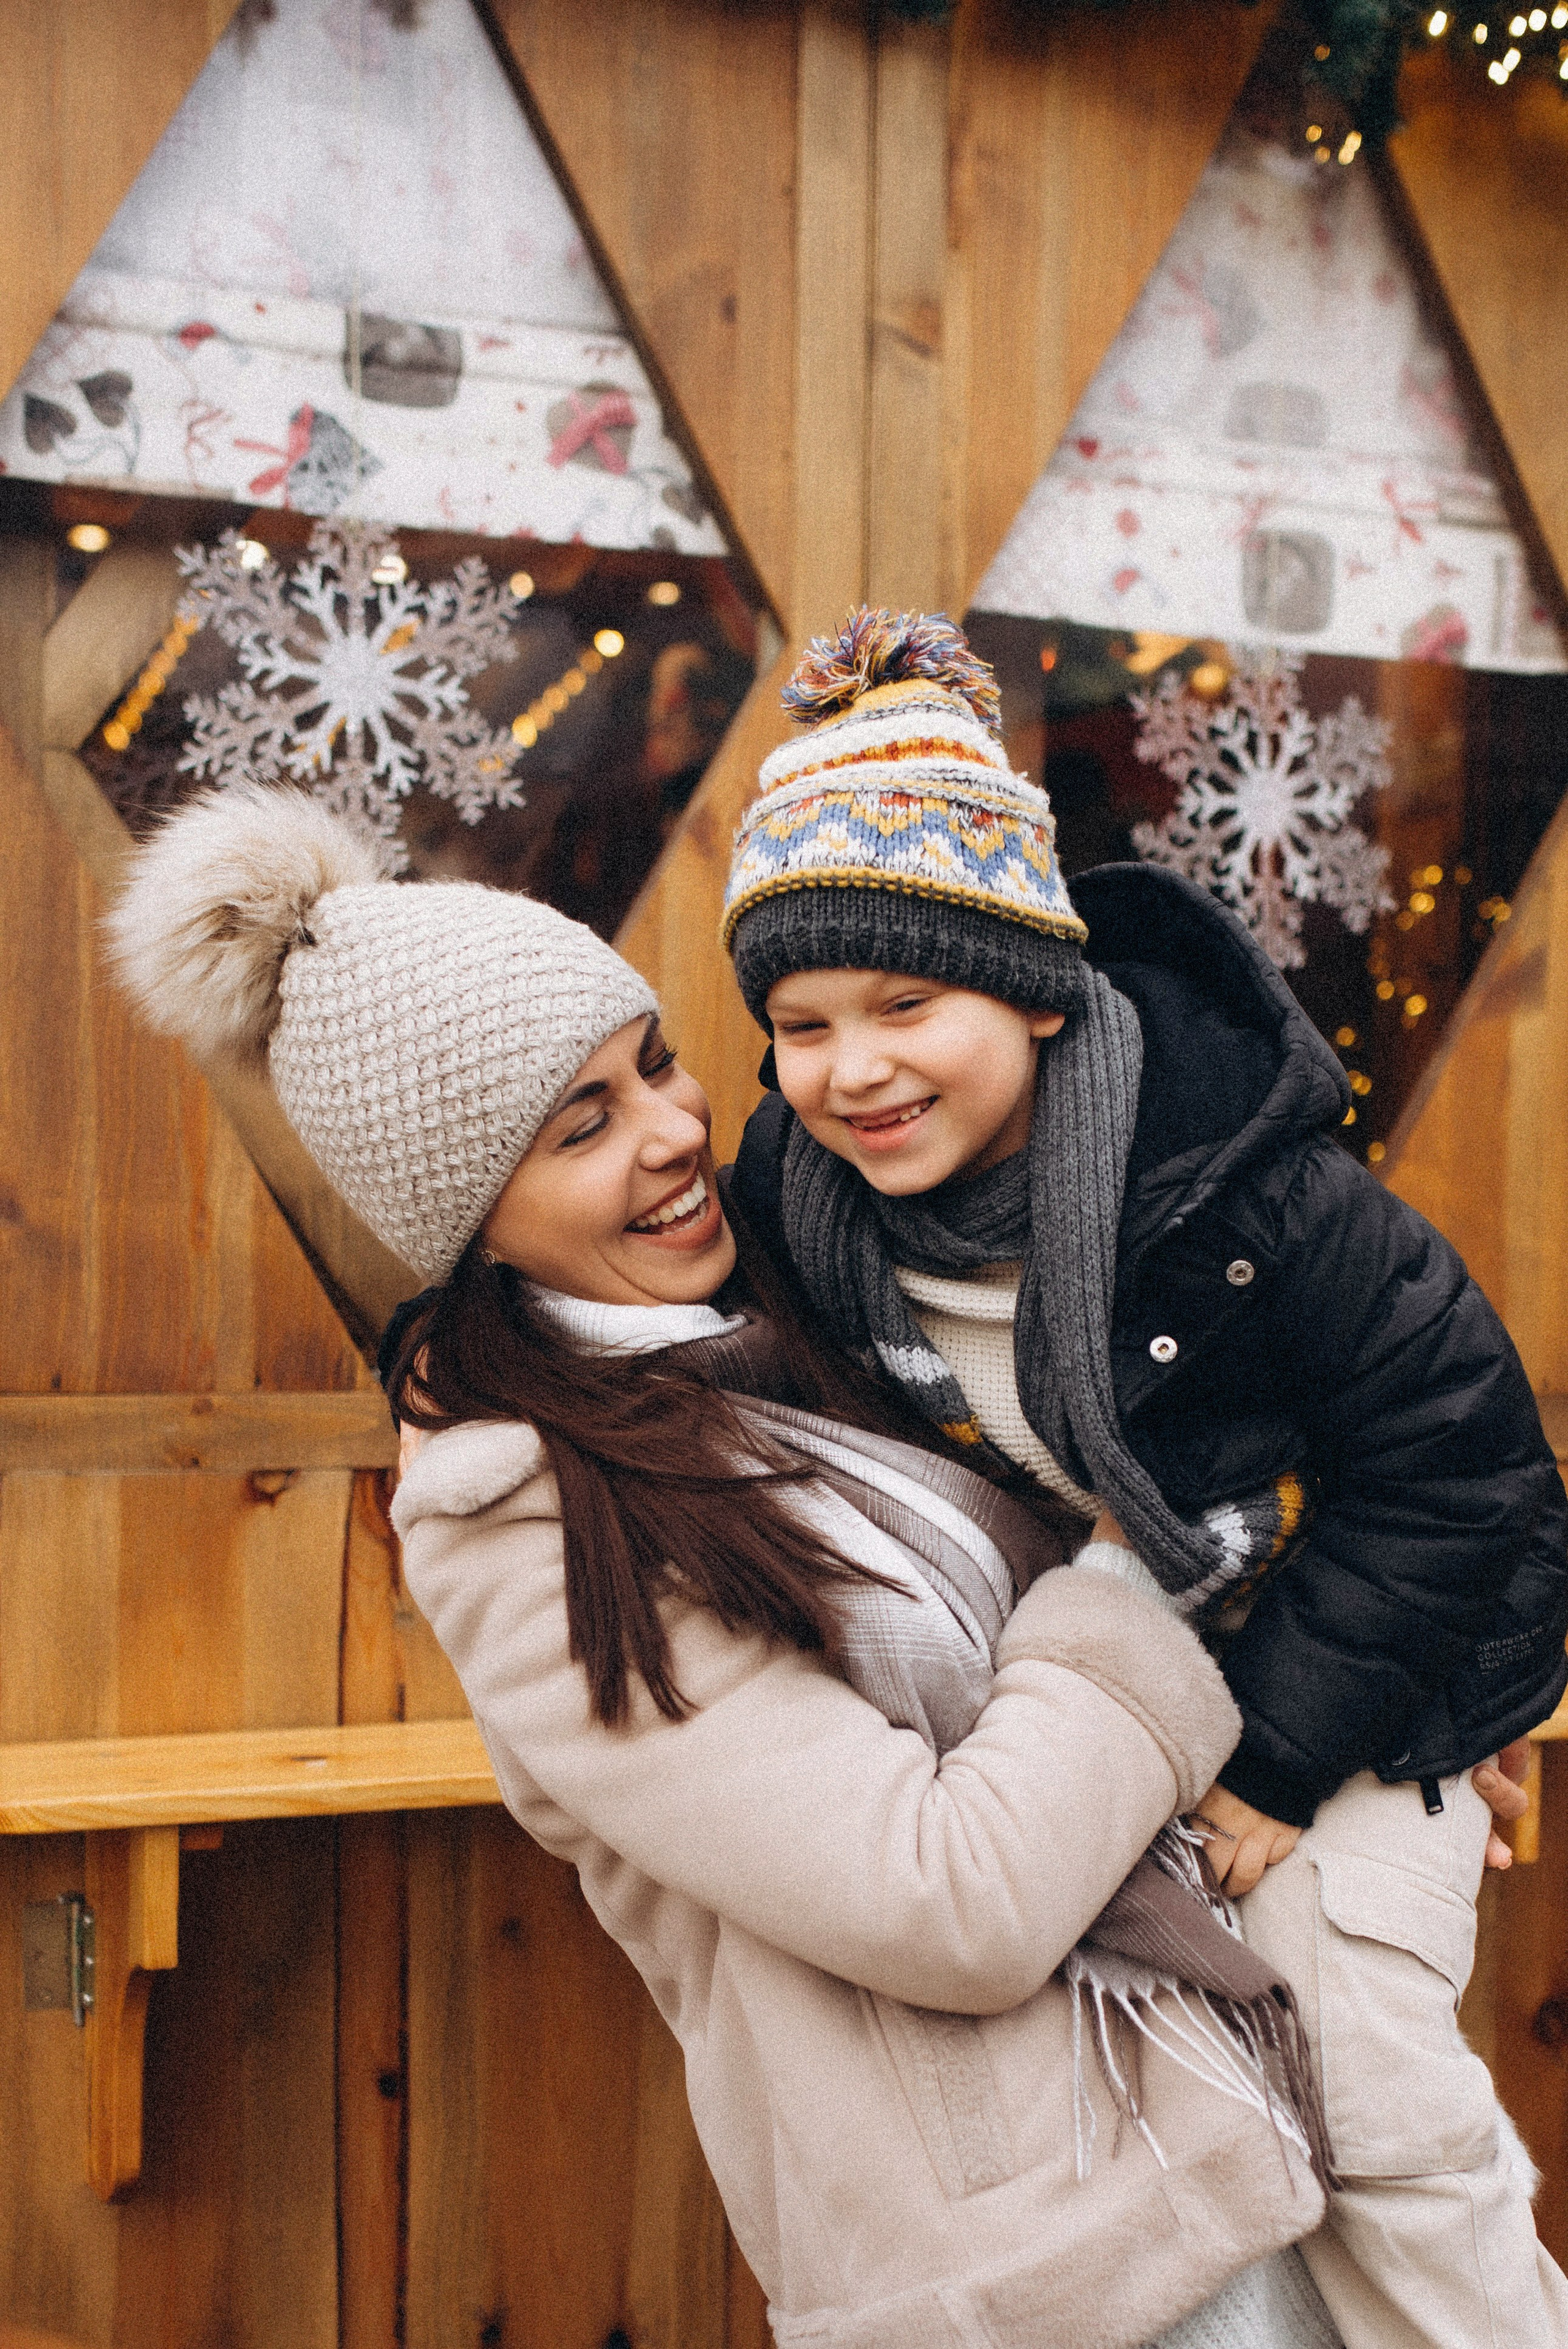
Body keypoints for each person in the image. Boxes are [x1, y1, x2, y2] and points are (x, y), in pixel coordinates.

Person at [109, 779, 1351, 2349]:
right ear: (468, 1217)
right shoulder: (523, 1515)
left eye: (653, 1066)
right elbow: (945, 1901)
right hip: (1036, 2274)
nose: (676, 1128)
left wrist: (1366, 1695)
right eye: (584, 1126)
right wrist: (1125, 1572)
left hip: (1200, 2135)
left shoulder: (795, 1324)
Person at [719, 608, 1568, 2349]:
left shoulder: (1242, 1177)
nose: (854, 1068)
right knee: (1222, 2128)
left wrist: (1283, 1744)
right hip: (1116, 1710)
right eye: (802, 1023)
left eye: (906, 1000)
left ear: (1031, 985)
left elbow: (1460, 1458)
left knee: (1371, 2087)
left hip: (1374, 1672)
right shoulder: (803, 1220)